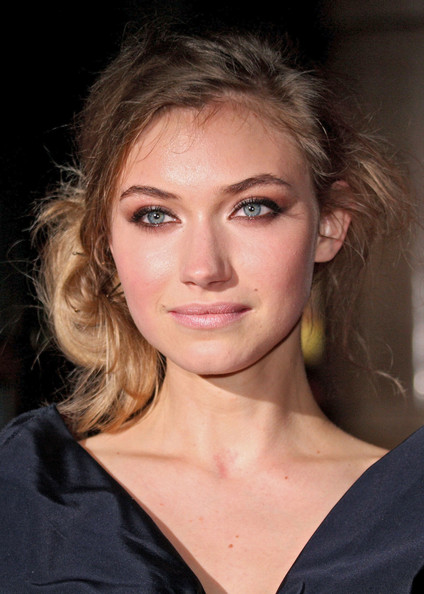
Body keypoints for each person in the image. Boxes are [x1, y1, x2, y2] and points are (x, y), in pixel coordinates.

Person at [0, 26, 422, 593]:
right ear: (105, 240)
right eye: (155, 216)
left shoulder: (411, 519)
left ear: (329, 224)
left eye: (252, 208)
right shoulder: (22, 500)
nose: (203, 267)